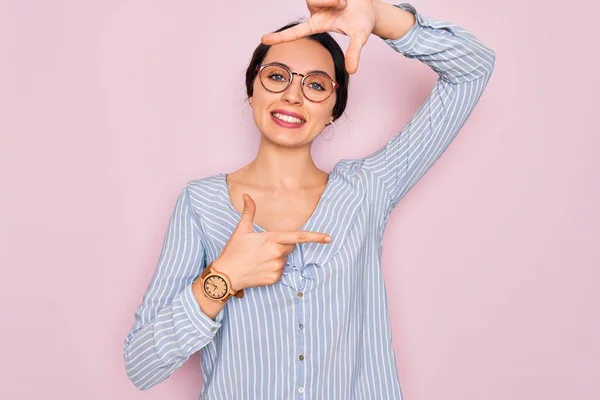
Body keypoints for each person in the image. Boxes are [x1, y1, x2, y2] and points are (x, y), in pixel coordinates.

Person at [123, 0, 495, 398]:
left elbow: (473, 67)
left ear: (334, 108)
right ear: (252, 90)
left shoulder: (367, 190)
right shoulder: (200, 205)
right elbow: (142, 364)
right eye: (277, 76)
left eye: (316, 85)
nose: (293, 96)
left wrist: (378, 16)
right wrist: (223, 277)